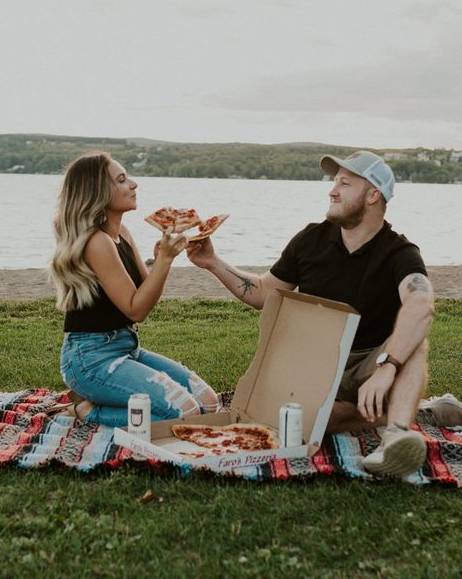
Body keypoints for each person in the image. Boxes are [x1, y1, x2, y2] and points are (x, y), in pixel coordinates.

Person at [187, 150, 462, 477]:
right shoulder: (310, 239)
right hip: (317, 362)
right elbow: (264, 292)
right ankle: (412, 411)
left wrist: (388, 366)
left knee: (414, 345)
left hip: (370, 363)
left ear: (373, 195)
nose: (332, 191)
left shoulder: (399, 252)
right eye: (334, 182)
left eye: (345, 183)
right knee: (301, 421)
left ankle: (396, 435)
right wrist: (212, 262)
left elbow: (421, 304)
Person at [50, 152, 219, 427]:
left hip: (126, 348)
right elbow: (136, 310)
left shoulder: (123, 233)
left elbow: (144, 294)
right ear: (98, 192)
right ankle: (86, 410)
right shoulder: (97, 242)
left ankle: (105, 397)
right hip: (90, 359)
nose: (133, 184)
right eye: (122, 179)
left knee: (209, 404)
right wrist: (163, 260)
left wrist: (164, 259)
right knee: (183, 412)